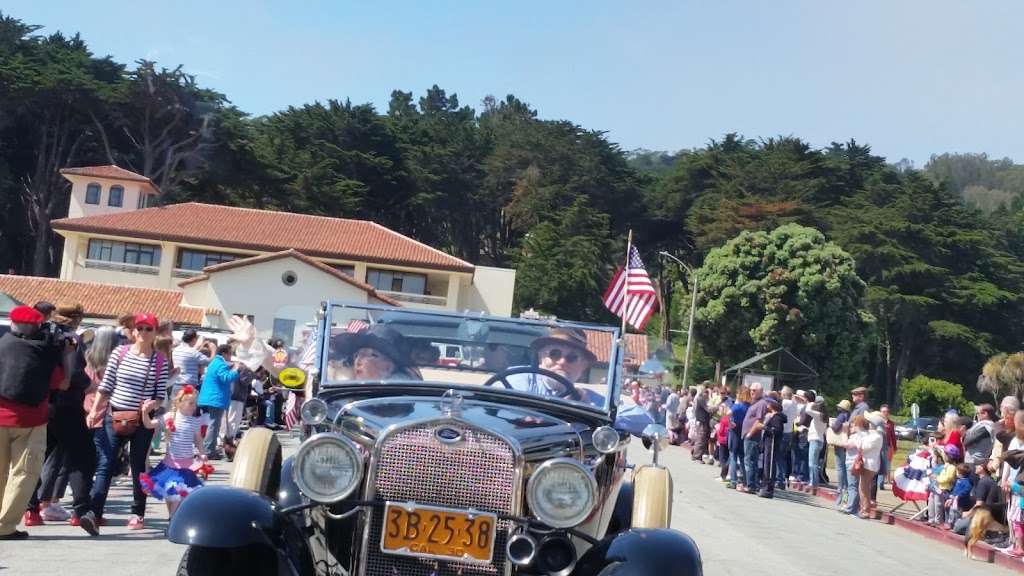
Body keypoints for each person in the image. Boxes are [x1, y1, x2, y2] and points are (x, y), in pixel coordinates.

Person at [86, 312, 170, 530]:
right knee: (106, 463)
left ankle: (138, 513)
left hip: (142, 419)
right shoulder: (119, 353)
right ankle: (94, 513)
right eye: (139, 328)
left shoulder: (159, 360)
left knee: (138, 465)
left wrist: (153, 405)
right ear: (133, 331)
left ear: (154, 333)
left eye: (148, 329)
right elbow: (106, 385)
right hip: (114, 414)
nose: (142, 332)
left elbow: (161, 394)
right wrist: (94, 411)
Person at [24, 303, 99, 535]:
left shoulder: (40, 335)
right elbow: (75, 373)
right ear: (76, 319)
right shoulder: (70, 339)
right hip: (67, 407)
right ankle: (81, 511)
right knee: (83, 457)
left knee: (40, 456)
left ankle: (31, 509)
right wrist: (90, 385)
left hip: (42, 405)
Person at [0, 306, 66, 540]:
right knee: (24, 474)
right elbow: (61, 382)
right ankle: (5, 526)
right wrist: (63, 353)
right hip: (31, 420)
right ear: (37, 326)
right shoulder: (45, 351)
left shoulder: (3, 344)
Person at [139, 385, 206, 518]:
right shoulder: (170, 416)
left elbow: (198, 440)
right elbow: (149, 424)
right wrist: (144, 413)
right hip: (169, 465)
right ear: (179, 403)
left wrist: (202, 453)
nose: (194, 406)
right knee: (170, 498)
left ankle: (173, 520)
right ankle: (172, 519)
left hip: (186, 467)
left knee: (178, 498)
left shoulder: (195, 422)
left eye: (195, 403)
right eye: (191, 403)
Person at [506, 328, 601, 405]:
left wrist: (585, 408)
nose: (562, 361)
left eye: (572, 357)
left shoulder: (592, 400)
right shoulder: (519, 379)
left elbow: (612, 425)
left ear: (583, 365)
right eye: (555, 354)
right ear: (541, 357)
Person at [81, 326, 116, 527]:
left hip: (87, 410)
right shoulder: (116, 361)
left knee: (88, 460)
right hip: (107, 413)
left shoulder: (88, 358)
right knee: (104, 461)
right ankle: (94, 508)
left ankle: (85, 505)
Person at [196, 344, 240, 459]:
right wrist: (235, 370)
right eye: (230, 354)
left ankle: (209, 448)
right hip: (215, 398)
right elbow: (227, 378)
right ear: (224, 354)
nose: (231, 356)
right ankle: (209, 450)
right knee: (214, 425)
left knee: (213, 424)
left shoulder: (214, 363)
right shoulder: (220, 364)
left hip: (211, 397)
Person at [332, 324, 415, 381]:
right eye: (356, 355)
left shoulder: (397, 399)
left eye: (370, 355)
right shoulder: (344, 399)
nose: (358, 361)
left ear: (388, 367)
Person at [846, 413, 883, 518]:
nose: (869, 424)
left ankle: (865, 511)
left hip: (870, 465)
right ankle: (863, 509)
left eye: (870, 422)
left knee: (863, 488)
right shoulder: (873, 435)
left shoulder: (877, 436)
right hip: (868, 464)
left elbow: (863, 446)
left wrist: (858, 439)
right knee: (863, 487)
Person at [740, 382, 768, 494]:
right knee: (750, 460)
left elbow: (759, 421)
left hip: (752, 436)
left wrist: (750, 433)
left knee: (749, 461)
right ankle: (751, 483)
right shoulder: (754, 402)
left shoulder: (761, 403)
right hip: (749, 435)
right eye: (751, 390)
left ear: (760, 391)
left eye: (754, 390)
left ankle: (750, 485)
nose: (752, 392)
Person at [172, 330, 213, 397]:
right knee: (187, 406)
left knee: (176, 406)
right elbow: (209, 362)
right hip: (188, 386)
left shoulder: (176, 350)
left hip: (176, 384)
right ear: (194, 339)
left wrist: (199, 347)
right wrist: (213, 350)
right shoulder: (193, 352)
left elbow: (190, 356)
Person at [758, 399, 785, 499]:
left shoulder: (777, 418)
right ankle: (765, 485)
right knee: (766, 464)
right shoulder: (773, 416)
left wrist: (764, 427)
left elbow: (776, 430)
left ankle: (768, 487)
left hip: (772, 444)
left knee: (769, 466)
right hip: (768, 443)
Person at [727, 385, 750, 490]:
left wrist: (730, 422)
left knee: (733, 456)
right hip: (744, 431)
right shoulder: (748, 406)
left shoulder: (738, 406)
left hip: (735, 431)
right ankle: (745, 480)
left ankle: (733, 480)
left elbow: (728, 413)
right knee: (742, 457)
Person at [831, 399, 852, 509]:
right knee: (845, 467)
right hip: (847, 443)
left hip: (839, 444)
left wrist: (831, 426)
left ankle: (840, 490)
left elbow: (835, 427)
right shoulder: (850, 415)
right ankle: (845, 492)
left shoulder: (841, 416)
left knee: (840, 467)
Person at [805, 397, 828, 489]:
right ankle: (814, 481)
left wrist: (810, 402)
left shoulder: (818, 415)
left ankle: (813, 482)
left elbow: (807, 410)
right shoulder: (824, 416)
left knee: (812, 463)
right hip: (820, 439)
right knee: (814, 462)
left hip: (815, 440)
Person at [879, 404, 898, 488]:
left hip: (887, 446)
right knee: (877, 463)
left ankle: (881, 482)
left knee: (885, 464)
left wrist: (894, 447)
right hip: (877, 445)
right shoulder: (877, 422)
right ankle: (876, 481)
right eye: (883, 411)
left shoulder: (891, 423)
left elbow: (893, 436)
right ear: (880, 412)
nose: (885, 413)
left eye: (886, 411)